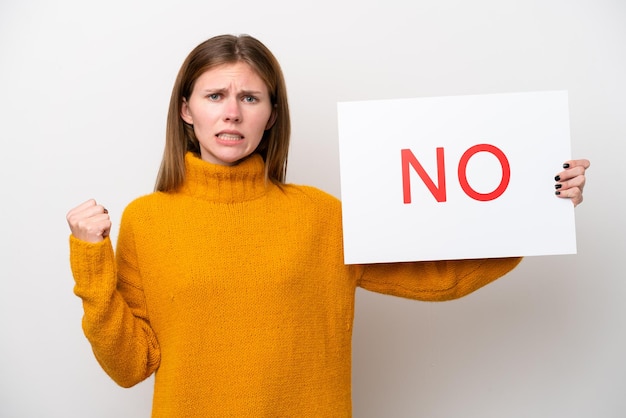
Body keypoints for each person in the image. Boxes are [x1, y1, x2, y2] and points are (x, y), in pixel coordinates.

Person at [66, 34, 590, 417]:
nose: (232, 113)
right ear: (186, 111)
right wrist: (92, 261)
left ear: (271, 116)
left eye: (250, 98)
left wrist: (537, 209)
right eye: (214, 97)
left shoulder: (320, 215)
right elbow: (130, 365)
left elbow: (440, 275)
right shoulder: (147, 219)